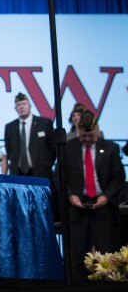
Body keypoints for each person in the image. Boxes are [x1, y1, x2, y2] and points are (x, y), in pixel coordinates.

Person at [62, 111, 125, 279]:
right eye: (83, 136)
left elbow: (118, 177)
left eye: (90, 135)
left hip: (102, 208)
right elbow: (59, 175)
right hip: (78, 208)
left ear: (97, 131)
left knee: (107, 256)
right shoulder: (69, 148)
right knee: (77, 258)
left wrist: (106, 196)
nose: (87, 139)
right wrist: (70, 196)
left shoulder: (111, 148)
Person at [3, 92, 55, 179]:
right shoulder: (10, 127)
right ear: (15, 108)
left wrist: (47, 164)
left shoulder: (44, 123)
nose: (21, 107)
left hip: (41, 172)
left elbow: (53, 147)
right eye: (18, 105)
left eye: (24, 104)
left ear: (30, 105)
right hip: (18, 173)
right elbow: (9, 150)